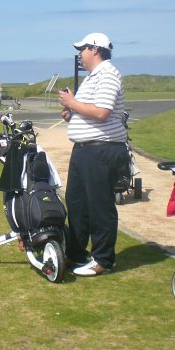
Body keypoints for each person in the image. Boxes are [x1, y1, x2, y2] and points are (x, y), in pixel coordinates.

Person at [58, 32, 126, 277]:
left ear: (95, 49)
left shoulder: (108, 74)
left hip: (102, 149)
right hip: (85, 149)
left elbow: (102, 113)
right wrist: (71, 112)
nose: (79, 54)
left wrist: (71, 101)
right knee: (76, 204)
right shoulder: (92, 77)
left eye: (82, 49)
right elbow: (88, 111)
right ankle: (76, 254)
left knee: (100, 207)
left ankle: (103, 260)